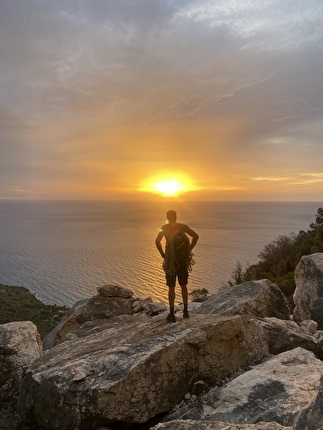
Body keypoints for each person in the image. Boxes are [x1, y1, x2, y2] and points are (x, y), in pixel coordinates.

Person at [155, 210, 199, 322]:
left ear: (167, 217)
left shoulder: (164, 228)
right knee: (183, 286)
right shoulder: (182, 226)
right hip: (183, 261)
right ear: (176, 217)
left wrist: (163, 254)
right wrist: (189, 250)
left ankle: (171, 314)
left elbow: (157, 241)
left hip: (171, 261)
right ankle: (185, 311)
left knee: (171, 287)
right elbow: (196, 236)